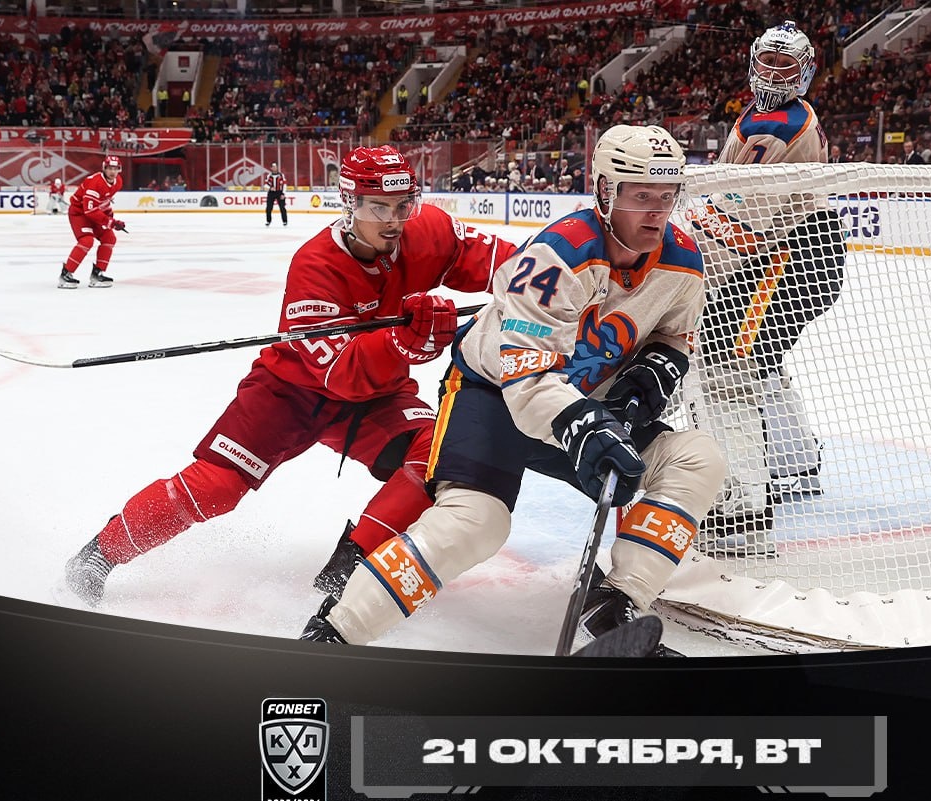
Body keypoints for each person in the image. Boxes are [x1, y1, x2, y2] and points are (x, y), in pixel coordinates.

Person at [300, 124, 726, 658]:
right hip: (492, 397)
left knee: (696, 458)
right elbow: (525, 379)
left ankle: (616, 602)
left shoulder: (683, 261)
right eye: (641, 197)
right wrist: (585, 424)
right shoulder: (558, 254)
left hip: (582, 407)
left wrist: (650, 375)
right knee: (477, 523)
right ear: (604, 191)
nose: (656, 213)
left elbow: (673, 335)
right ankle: (335, 632)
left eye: (667, 197)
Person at [64, 146, 517, 610]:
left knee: (440, 451)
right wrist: (402, 343)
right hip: (290, 392)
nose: (394, 221)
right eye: (378, 208)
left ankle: (352, 566)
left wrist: (552, 285)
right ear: (350, 204)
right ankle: (99, 555)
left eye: (403, 206)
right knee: (217, 486)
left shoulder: (429, 231)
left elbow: (514, 266)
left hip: (377, 394)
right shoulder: (315, 265)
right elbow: (339, 372)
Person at [691, 21, 846, 547]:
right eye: (768, 62)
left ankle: (742, 510)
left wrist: (686, 258)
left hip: (789, 258)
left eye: (786, 65)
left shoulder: (778, 127)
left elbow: (741, 225)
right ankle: (792, 462)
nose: (775, 73)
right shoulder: (760, 114)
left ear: (805, 71)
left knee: (722, 359)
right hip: (797, 254)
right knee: (756, 356)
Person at [58, 155, 125, 289]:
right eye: (110, 168)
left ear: (119, 169)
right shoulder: (95, 183)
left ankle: (97, 273)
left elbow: (104, 201)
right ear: (104, 168)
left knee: (109, 238)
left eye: (115, 168)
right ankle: (66, 274)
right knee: (86, 241)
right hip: (79, 213)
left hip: (94, 213)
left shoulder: (118, 182)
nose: (112, 172)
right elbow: (89, 210)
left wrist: (110, 217)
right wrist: (110, 222)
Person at [265, 163, 288, 227]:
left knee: (282, 207)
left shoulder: (281, 175)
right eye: (273, 167)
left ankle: (285, 221)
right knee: (269, 207)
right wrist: (270, 188)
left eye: (275, 167)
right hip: (271, 193)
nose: (274, 168)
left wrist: (283, 193)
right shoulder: (268, 176)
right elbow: (265, 185)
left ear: (277, 167)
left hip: (279, 192)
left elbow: (284, 185)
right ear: (271, 168)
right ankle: (268, 221)